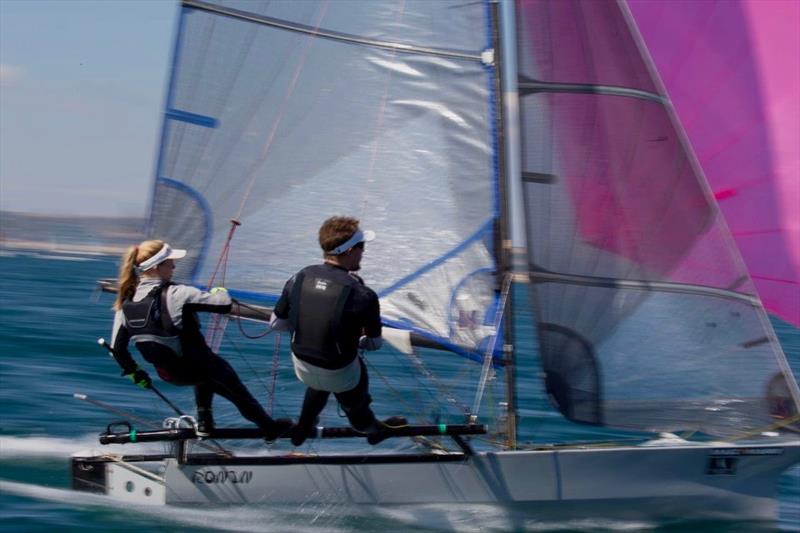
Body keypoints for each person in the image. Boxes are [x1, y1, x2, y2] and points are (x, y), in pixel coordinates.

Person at [110, 239, 292, 441]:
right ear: (156, 267)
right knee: (226, 379)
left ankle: (205, 424)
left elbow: (118, 350)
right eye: (170, 262)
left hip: (170, 375)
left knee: (204, 367)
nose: (174, 266)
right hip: (199, 368)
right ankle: (269, 427)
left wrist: (136, 373)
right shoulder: (177, 293)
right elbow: (223, 304)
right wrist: (219, 291)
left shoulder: (124, 304)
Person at [271, 216, 403, 445]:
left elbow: (276, 324)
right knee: (347, 372)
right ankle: (369, 428)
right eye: (362, 247)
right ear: (350, 250)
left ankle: (303, 427)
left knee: (323, 360)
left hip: (301, 366)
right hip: (340, 374)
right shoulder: (364, 294)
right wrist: (355, 338)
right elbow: (374, 344)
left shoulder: (297, 277)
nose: (363, 252)